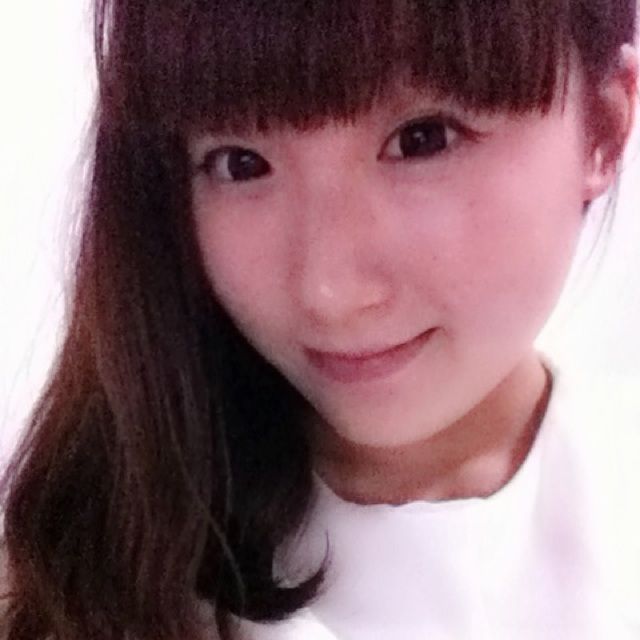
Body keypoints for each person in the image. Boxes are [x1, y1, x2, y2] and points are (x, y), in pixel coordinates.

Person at [1, 1, 639, 639]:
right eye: (241, 163)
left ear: (604, 131)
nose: (329, 292)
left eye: (423, 139)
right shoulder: (65, 589)